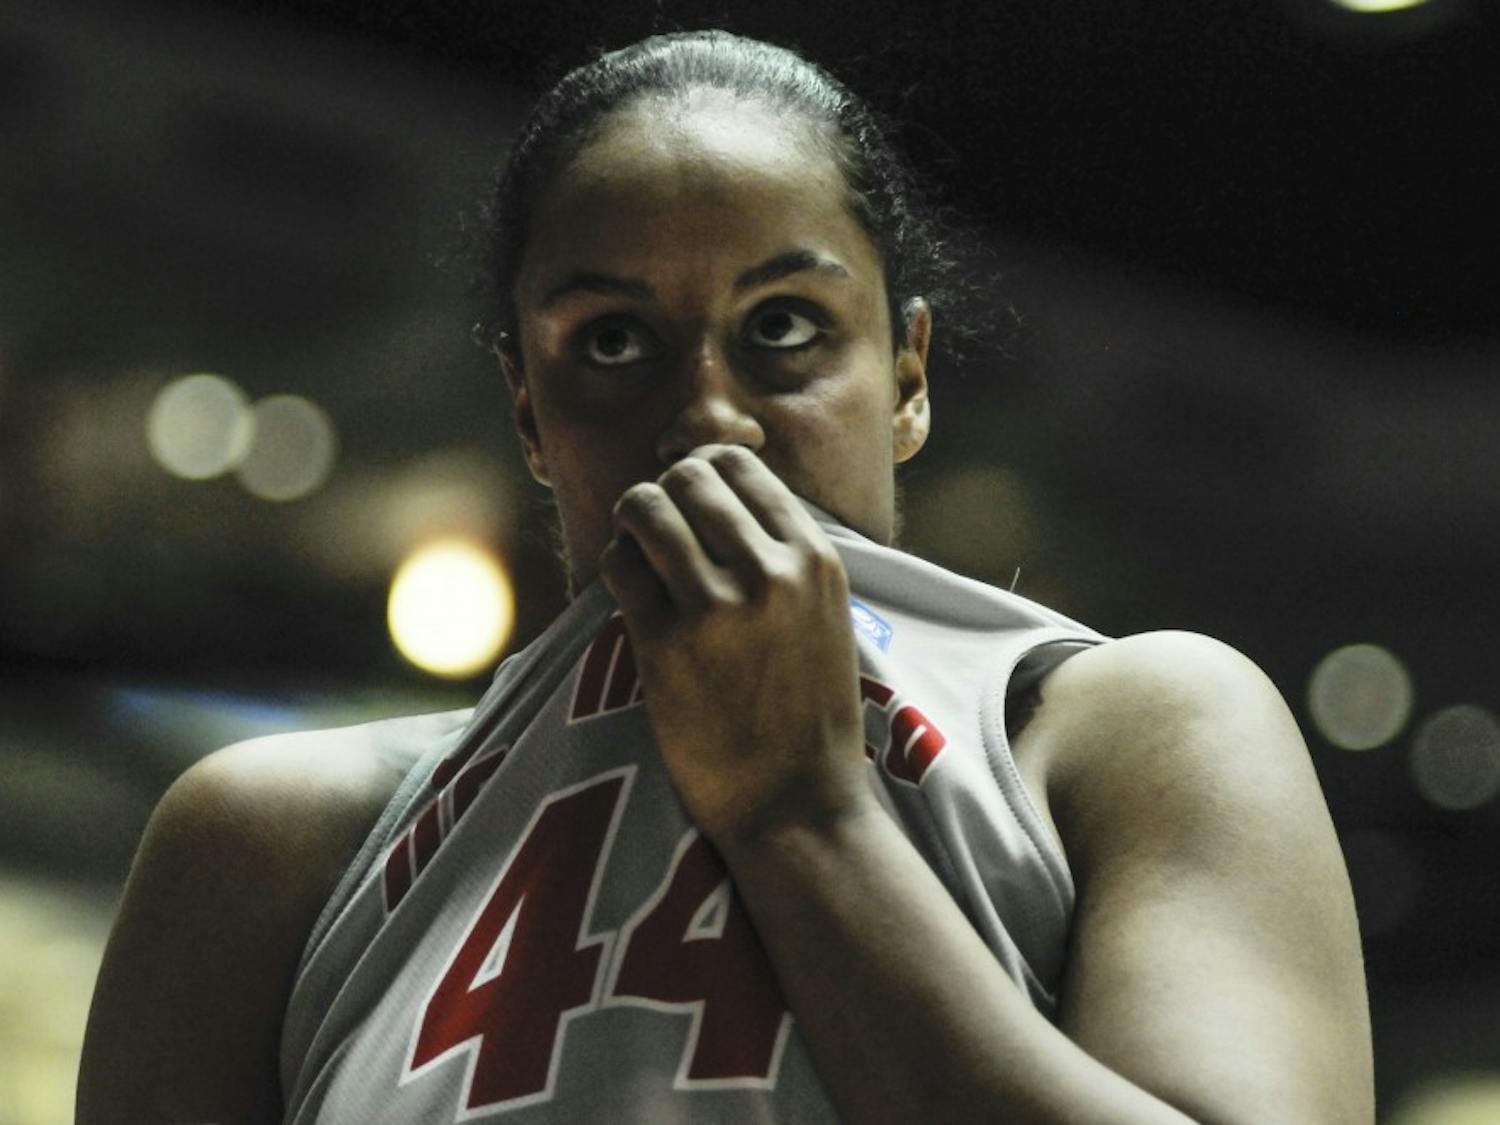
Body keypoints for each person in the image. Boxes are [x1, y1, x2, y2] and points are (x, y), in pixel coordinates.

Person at [77, 29, 1374, 1124]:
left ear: (907, 377)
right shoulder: (273, 839)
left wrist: (804, 816)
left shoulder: (1133, 725)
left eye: (784, 328)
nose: (706, 416)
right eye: (614, 341)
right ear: (529, 413)